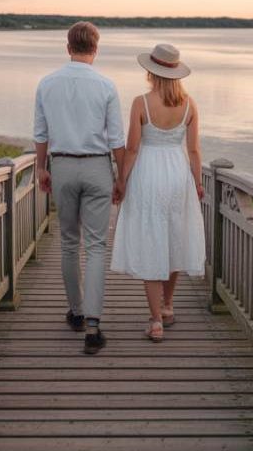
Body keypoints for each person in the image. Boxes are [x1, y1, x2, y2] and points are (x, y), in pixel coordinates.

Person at [33, 21, 126, 355]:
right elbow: (117, 140)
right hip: (98, 166)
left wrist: (42, 168)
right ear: (95, 49)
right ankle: (93, 327)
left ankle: (75, 312)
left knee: (69, 243)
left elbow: (41, 133)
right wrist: (121, 177)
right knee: (97, 246)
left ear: (68, 47)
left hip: (62, 166)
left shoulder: (47, 84)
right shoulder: (106, 86)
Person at [111, 43, 205, 342]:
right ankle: (167, 305)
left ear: (151, 72)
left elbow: (132, 148)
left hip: (148, 175)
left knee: (152, 240)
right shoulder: (189, 104)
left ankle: (155, 321)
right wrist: (198, 183)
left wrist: (121, 181)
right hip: (177, 173)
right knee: (174, 236)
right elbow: (194, 150)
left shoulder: (141, 103)